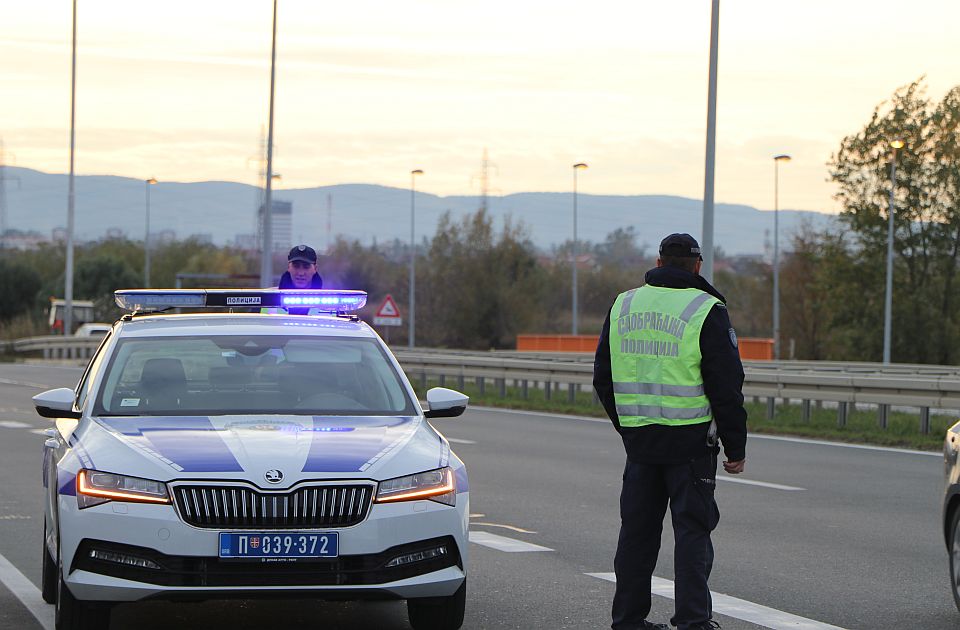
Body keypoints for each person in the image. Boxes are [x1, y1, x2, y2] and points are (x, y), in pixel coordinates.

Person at [593, 233, 747, 630]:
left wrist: (628, 426)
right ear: (697, 265)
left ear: (658, 261)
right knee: (693, 534)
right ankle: (693, 622)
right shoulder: (706, 308)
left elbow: (603, 379)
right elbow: (725, 384)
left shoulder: (624, 303)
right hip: (691, 444)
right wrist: (735, 446)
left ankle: (628, 621)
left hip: (641, 445)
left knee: (636, 536)